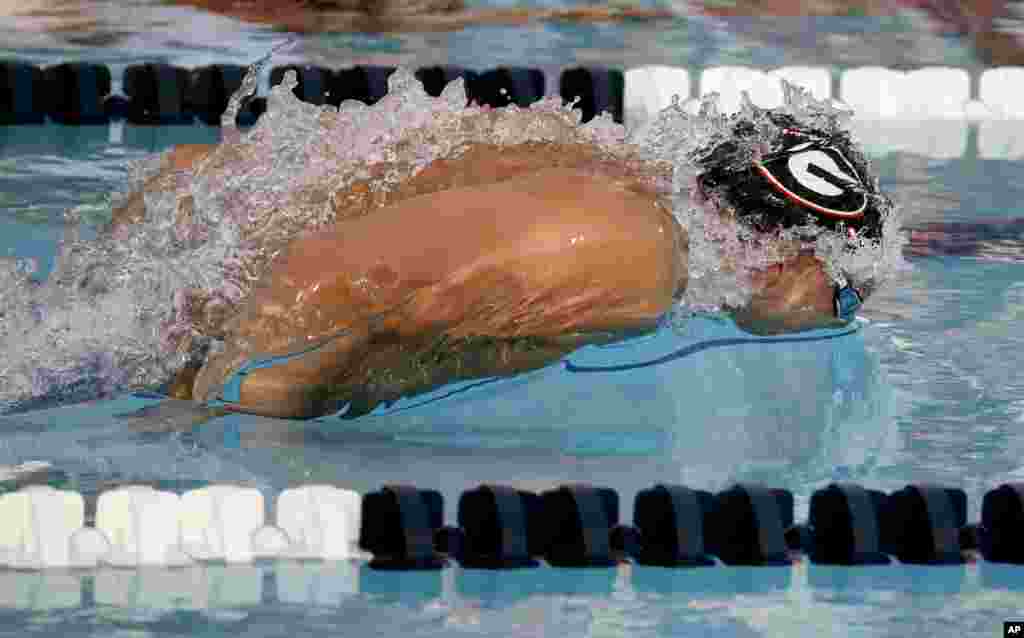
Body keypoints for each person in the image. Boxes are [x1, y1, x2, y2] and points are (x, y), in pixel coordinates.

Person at [117, 104, 892, 419]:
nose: (840, 316)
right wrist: (216, 436)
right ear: (789, 258)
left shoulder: (618, 189)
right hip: (161, 318)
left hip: (165, 263)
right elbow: (317, 277)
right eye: (848, 295)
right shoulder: (635, 252)